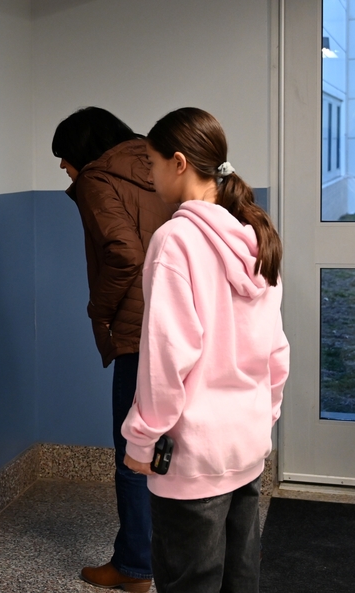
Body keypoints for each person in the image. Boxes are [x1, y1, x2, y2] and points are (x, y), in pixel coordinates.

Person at [123, 108, 289, 593]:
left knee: (189, 583)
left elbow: (166, 359)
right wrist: (265, 415)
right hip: (248, 443)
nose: (149, 176)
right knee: (241, 581)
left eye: (151, 164)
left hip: (192, 455)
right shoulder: (257, 237)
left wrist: (140, 441)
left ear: (179, 163)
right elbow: (276, 350)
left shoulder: (175, 241)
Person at [52, 107, 176, 592]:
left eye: (65, 158)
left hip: (138, 326)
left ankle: (134, 569)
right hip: (181, 319)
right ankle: (167, 559)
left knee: (133, 450)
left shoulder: (97, 179)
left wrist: (98, 310)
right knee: (171, 445)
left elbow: (125, 254)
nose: (63, 169)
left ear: (83, 151)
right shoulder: (158, 162)